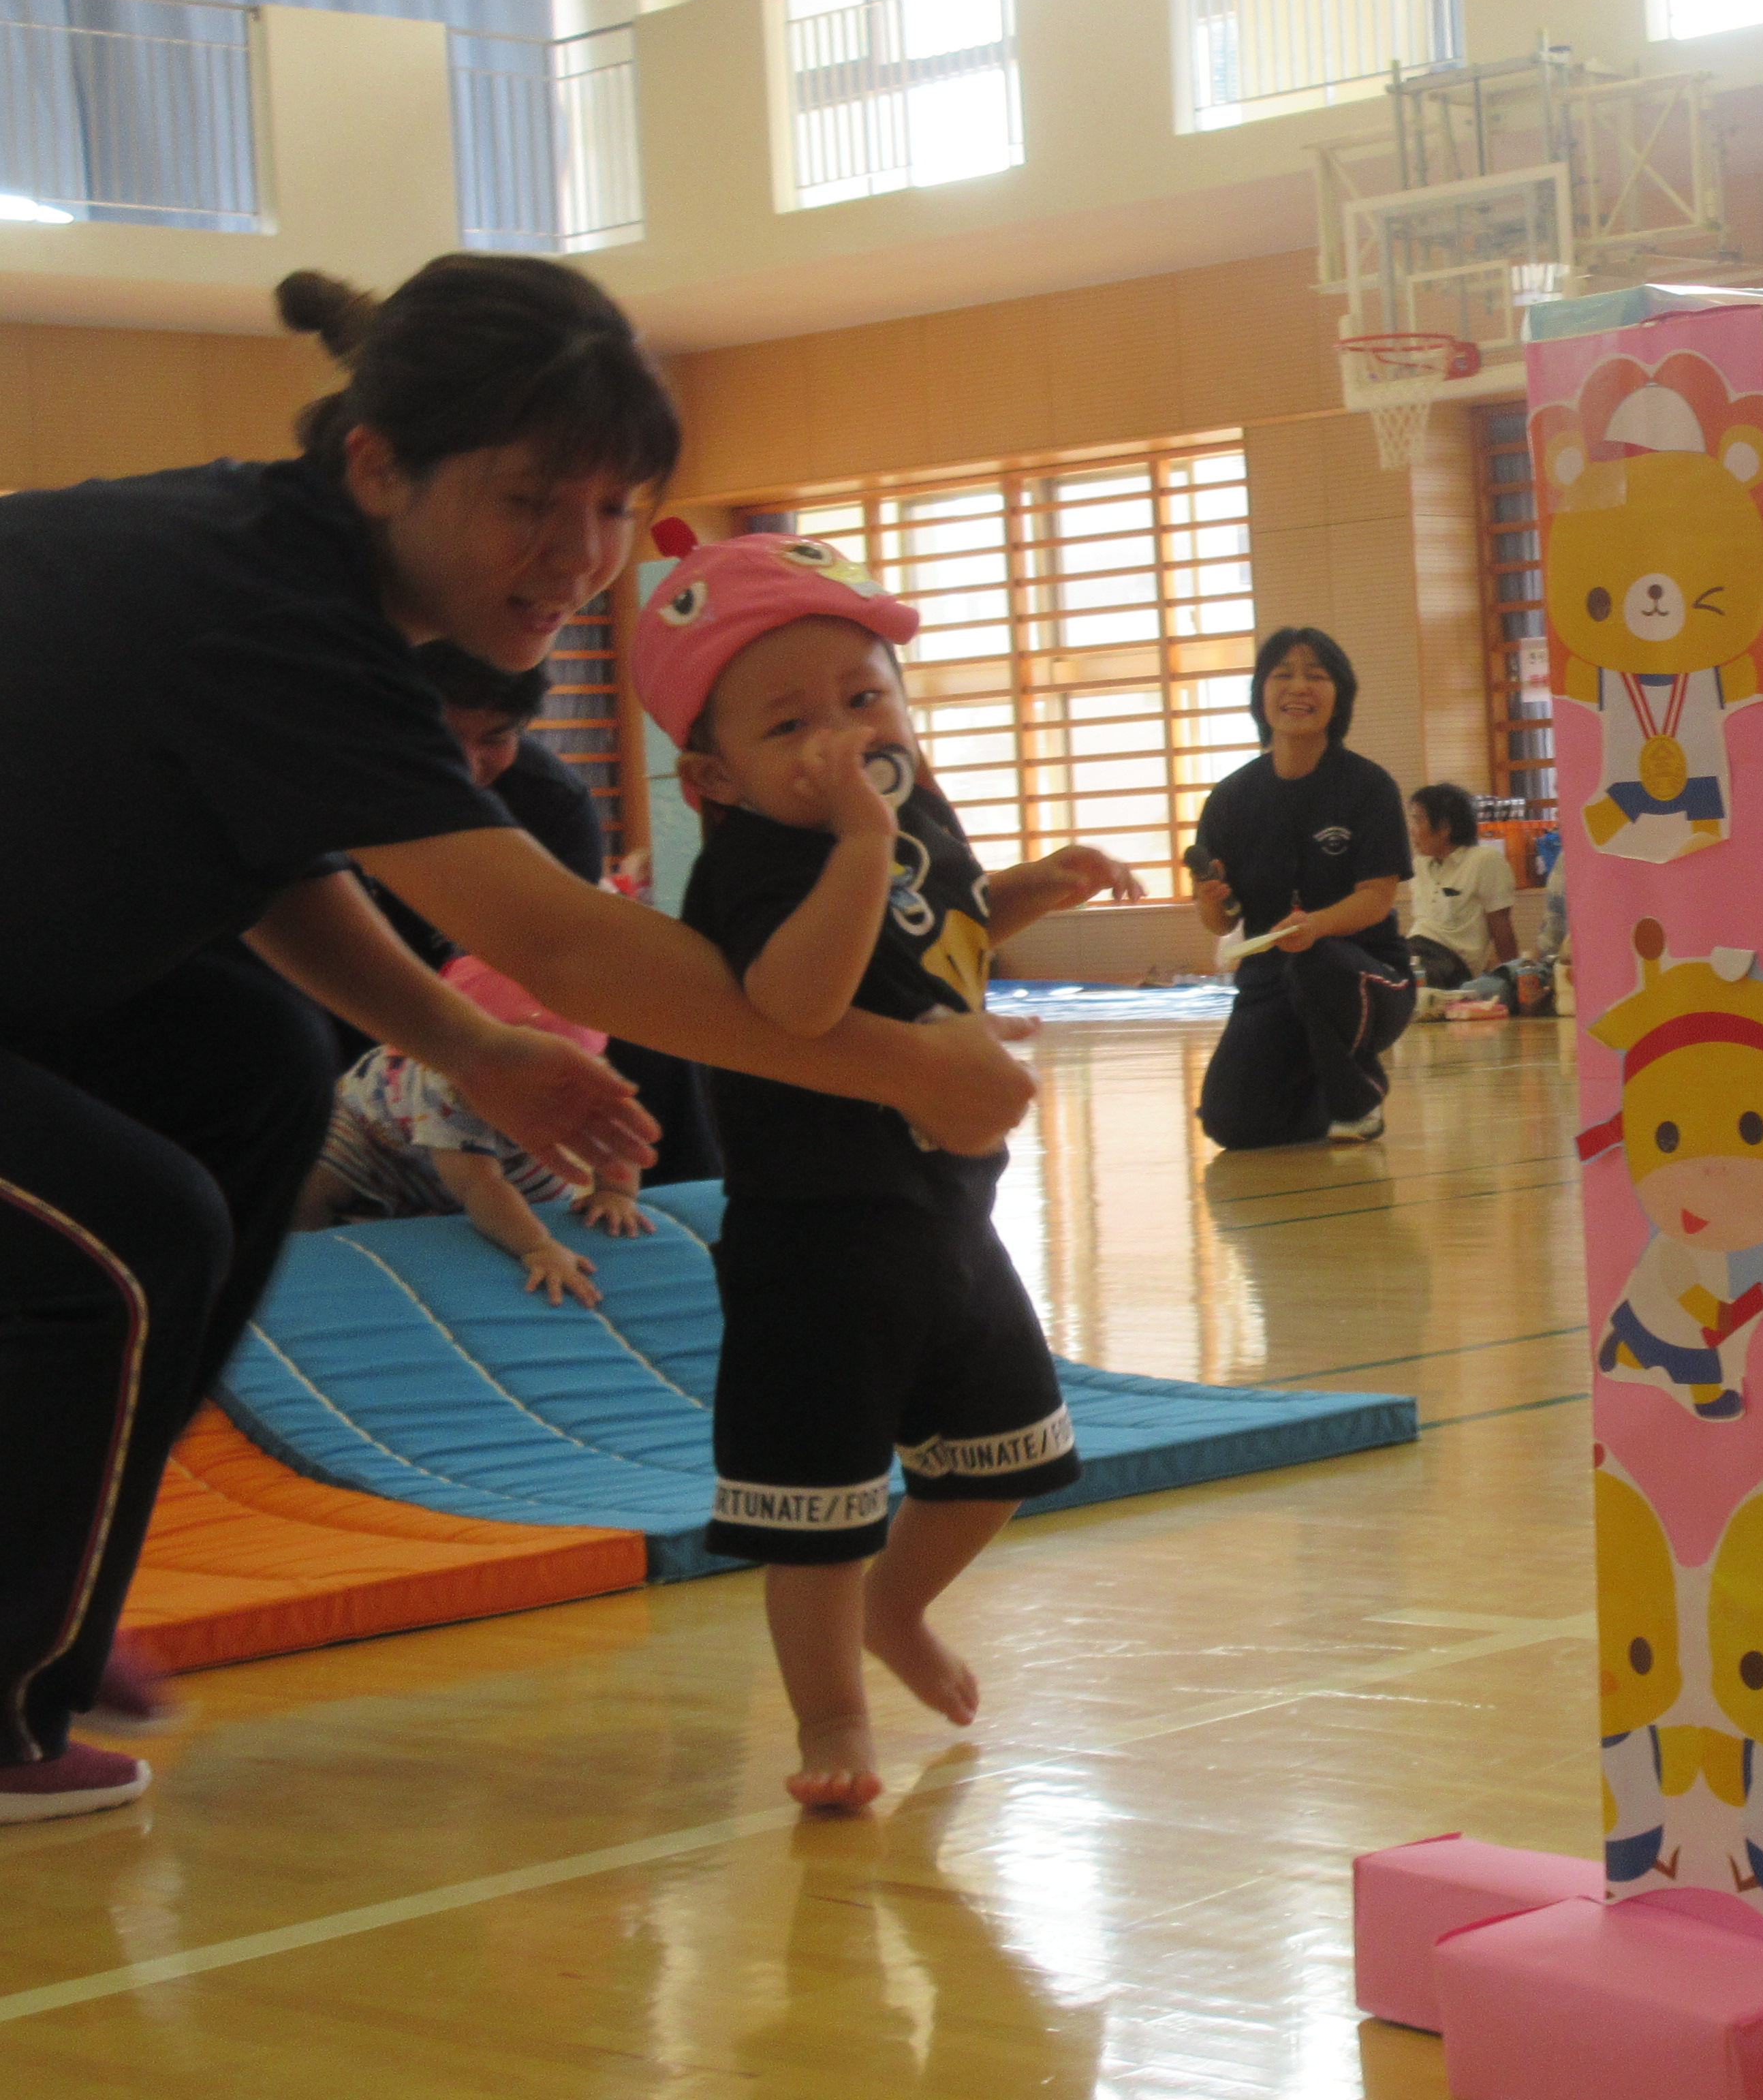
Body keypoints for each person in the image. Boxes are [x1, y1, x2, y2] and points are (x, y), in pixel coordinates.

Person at [0, 258, 1033, 1827]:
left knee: (261, 1066)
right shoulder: (272, 614)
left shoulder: (301, 588)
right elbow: (562, 938)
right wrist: (907, 1066)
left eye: (612, 508)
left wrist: (468, 1047)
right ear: (378, 467)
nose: (580, 554)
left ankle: (53, 1596)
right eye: (532, 503)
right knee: (126, 1237)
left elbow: (273, 872)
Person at [633, 529, 1139, 1814]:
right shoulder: (756, 865)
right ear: (714, 777)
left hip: (949, 1213)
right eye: (791, 723)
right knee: (815, 1505)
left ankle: (896, 1608)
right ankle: (833, 1714)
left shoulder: (909, 814)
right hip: (815, 1234)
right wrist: (859, 844)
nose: (845, 736)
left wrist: (1030, 889)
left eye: (866, 698)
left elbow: (934, 932)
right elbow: (797, 1003)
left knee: (1006, 1455)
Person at [371, 638, 722, 1184]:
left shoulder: (551, 802)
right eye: (443, 735)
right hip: (367, 1006)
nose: (465, 764)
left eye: (495, 738)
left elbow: (570, 961)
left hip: (506, 1010)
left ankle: (672, 1199)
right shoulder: (345, 779)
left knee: (654, 1028)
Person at [301, 958, 655, 1307]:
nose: (549, 1084)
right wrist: (536, 1247)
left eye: (559, 1069)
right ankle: (299, 1255)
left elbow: (619, 1133)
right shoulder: (444, 1088)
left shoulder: (579, 1066)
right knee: (313, 1179)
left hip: (511, 1152)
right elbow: (478, 1184)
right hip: (379, 1141)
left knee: (552, 1206)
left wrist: (617, 1191)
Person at [1190, 630, 1418, 1148]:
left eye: (1316, 675)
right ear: (1260, 693)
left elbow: (1377, 897)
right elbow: (1222, 922)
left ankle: (1359, 1100)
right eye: (1282, 675)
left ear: (1340, 696)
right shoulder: (1229, 799)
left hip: (1365, 979)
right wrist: (1212, 901)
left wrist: (1316, 926)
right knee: (1231, 1124)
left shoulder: (1368, 787)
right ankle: (1316, 1095)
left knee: (1315, 961)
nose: (1299, 687)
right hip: (1269, 984)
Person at [1405, 783, 1540, 1019]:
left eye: (1418, 821)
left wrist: (1513, 978)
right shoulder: (1419, 865)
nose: (1412, 830)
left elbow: (1502, 928)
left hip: (1451, 962)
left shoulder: (1484, 860)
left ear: (1444, 827)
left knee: (1405, 985)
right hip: (1413, 951)